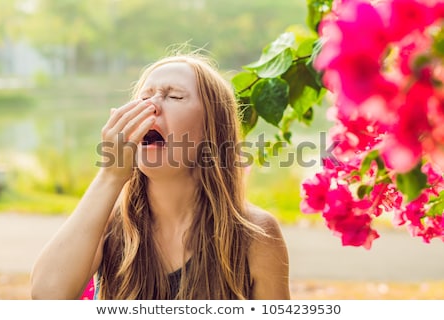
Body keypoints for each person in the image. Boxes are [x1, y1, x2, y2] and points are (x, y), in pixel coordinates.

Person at [30, 53, 290, 300]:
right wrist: (111, 175)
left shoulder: (254, 234)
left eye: (175, 96)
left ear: (213, 130)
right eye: (143, 97)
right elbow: (48, 295)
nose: (150, 107)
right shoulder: (109, 223)